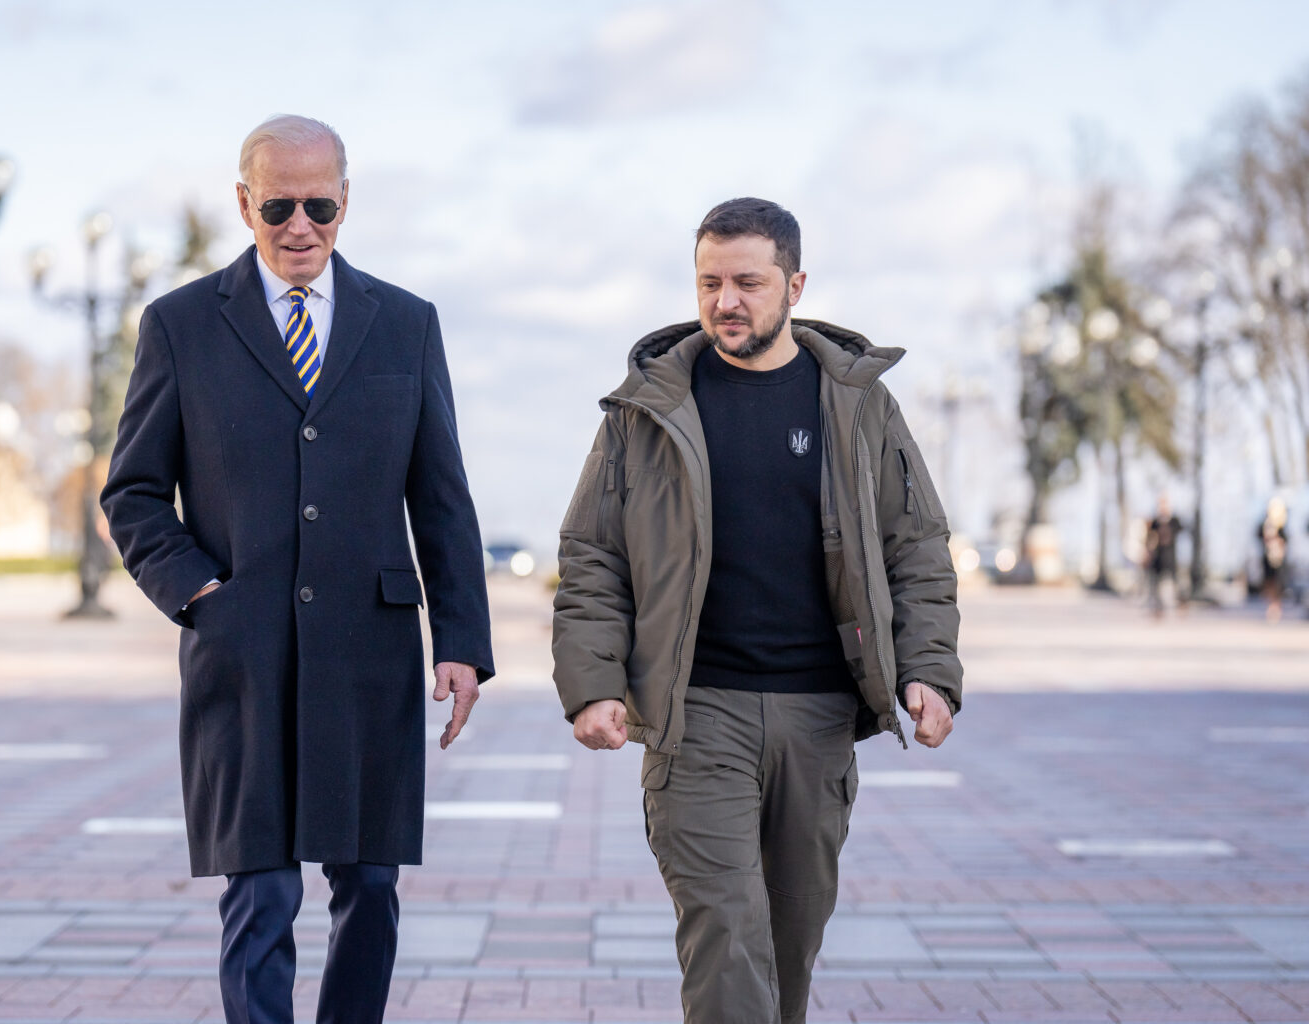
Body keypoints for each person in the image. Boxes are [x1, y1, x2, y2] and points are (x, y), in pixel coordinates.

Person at [101, 114, 494, 1024]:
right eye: (278, 205)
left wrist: (463, 642)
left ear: (346, 201)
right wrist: (198, 591)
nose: (300, 225)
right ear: (245, 203)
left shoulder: (406, 324)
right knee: (262, 894)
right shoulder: (182, 326)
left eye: (320, 204)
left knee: (369, 886)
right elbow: (133, 493)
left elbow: (441, 499)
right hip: (244, 657)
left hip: (370, 652)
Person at [552, 198, 962, 1024]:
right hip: (696, 716)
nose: (725, 302)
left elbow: (913, 545)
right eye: (709, 282)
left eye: (747, 282)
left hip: (820, 720)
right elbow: (592, 553)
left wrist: (930, 671)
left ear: (795, 285)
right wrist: (592, 682)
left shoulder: (857, 405)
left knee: (786, 948)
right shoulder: (648, 408)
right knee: (727, 940)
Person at [1144, 495, 1185, 616]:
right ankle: (1158, 608)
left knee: (1177, 582)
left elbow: (1181, 530)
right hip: (1158, 558)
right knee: (1156, 584)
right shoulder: (1155, 522)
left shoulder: (1174, 521)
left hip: (1171, 558)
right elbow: (1149, 538)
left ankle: (1181, 603)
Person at [1260, 496, 1289, 623]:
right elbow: (1259, 537)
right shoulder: (1264, 525)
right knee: (1269, 583)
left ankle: (1276, 607)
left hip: (1279, 560)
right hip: (1267, 559)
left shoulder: (1281, 527)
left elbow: (1286, 541)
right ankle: (1271, 606)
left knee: (1278, 584)